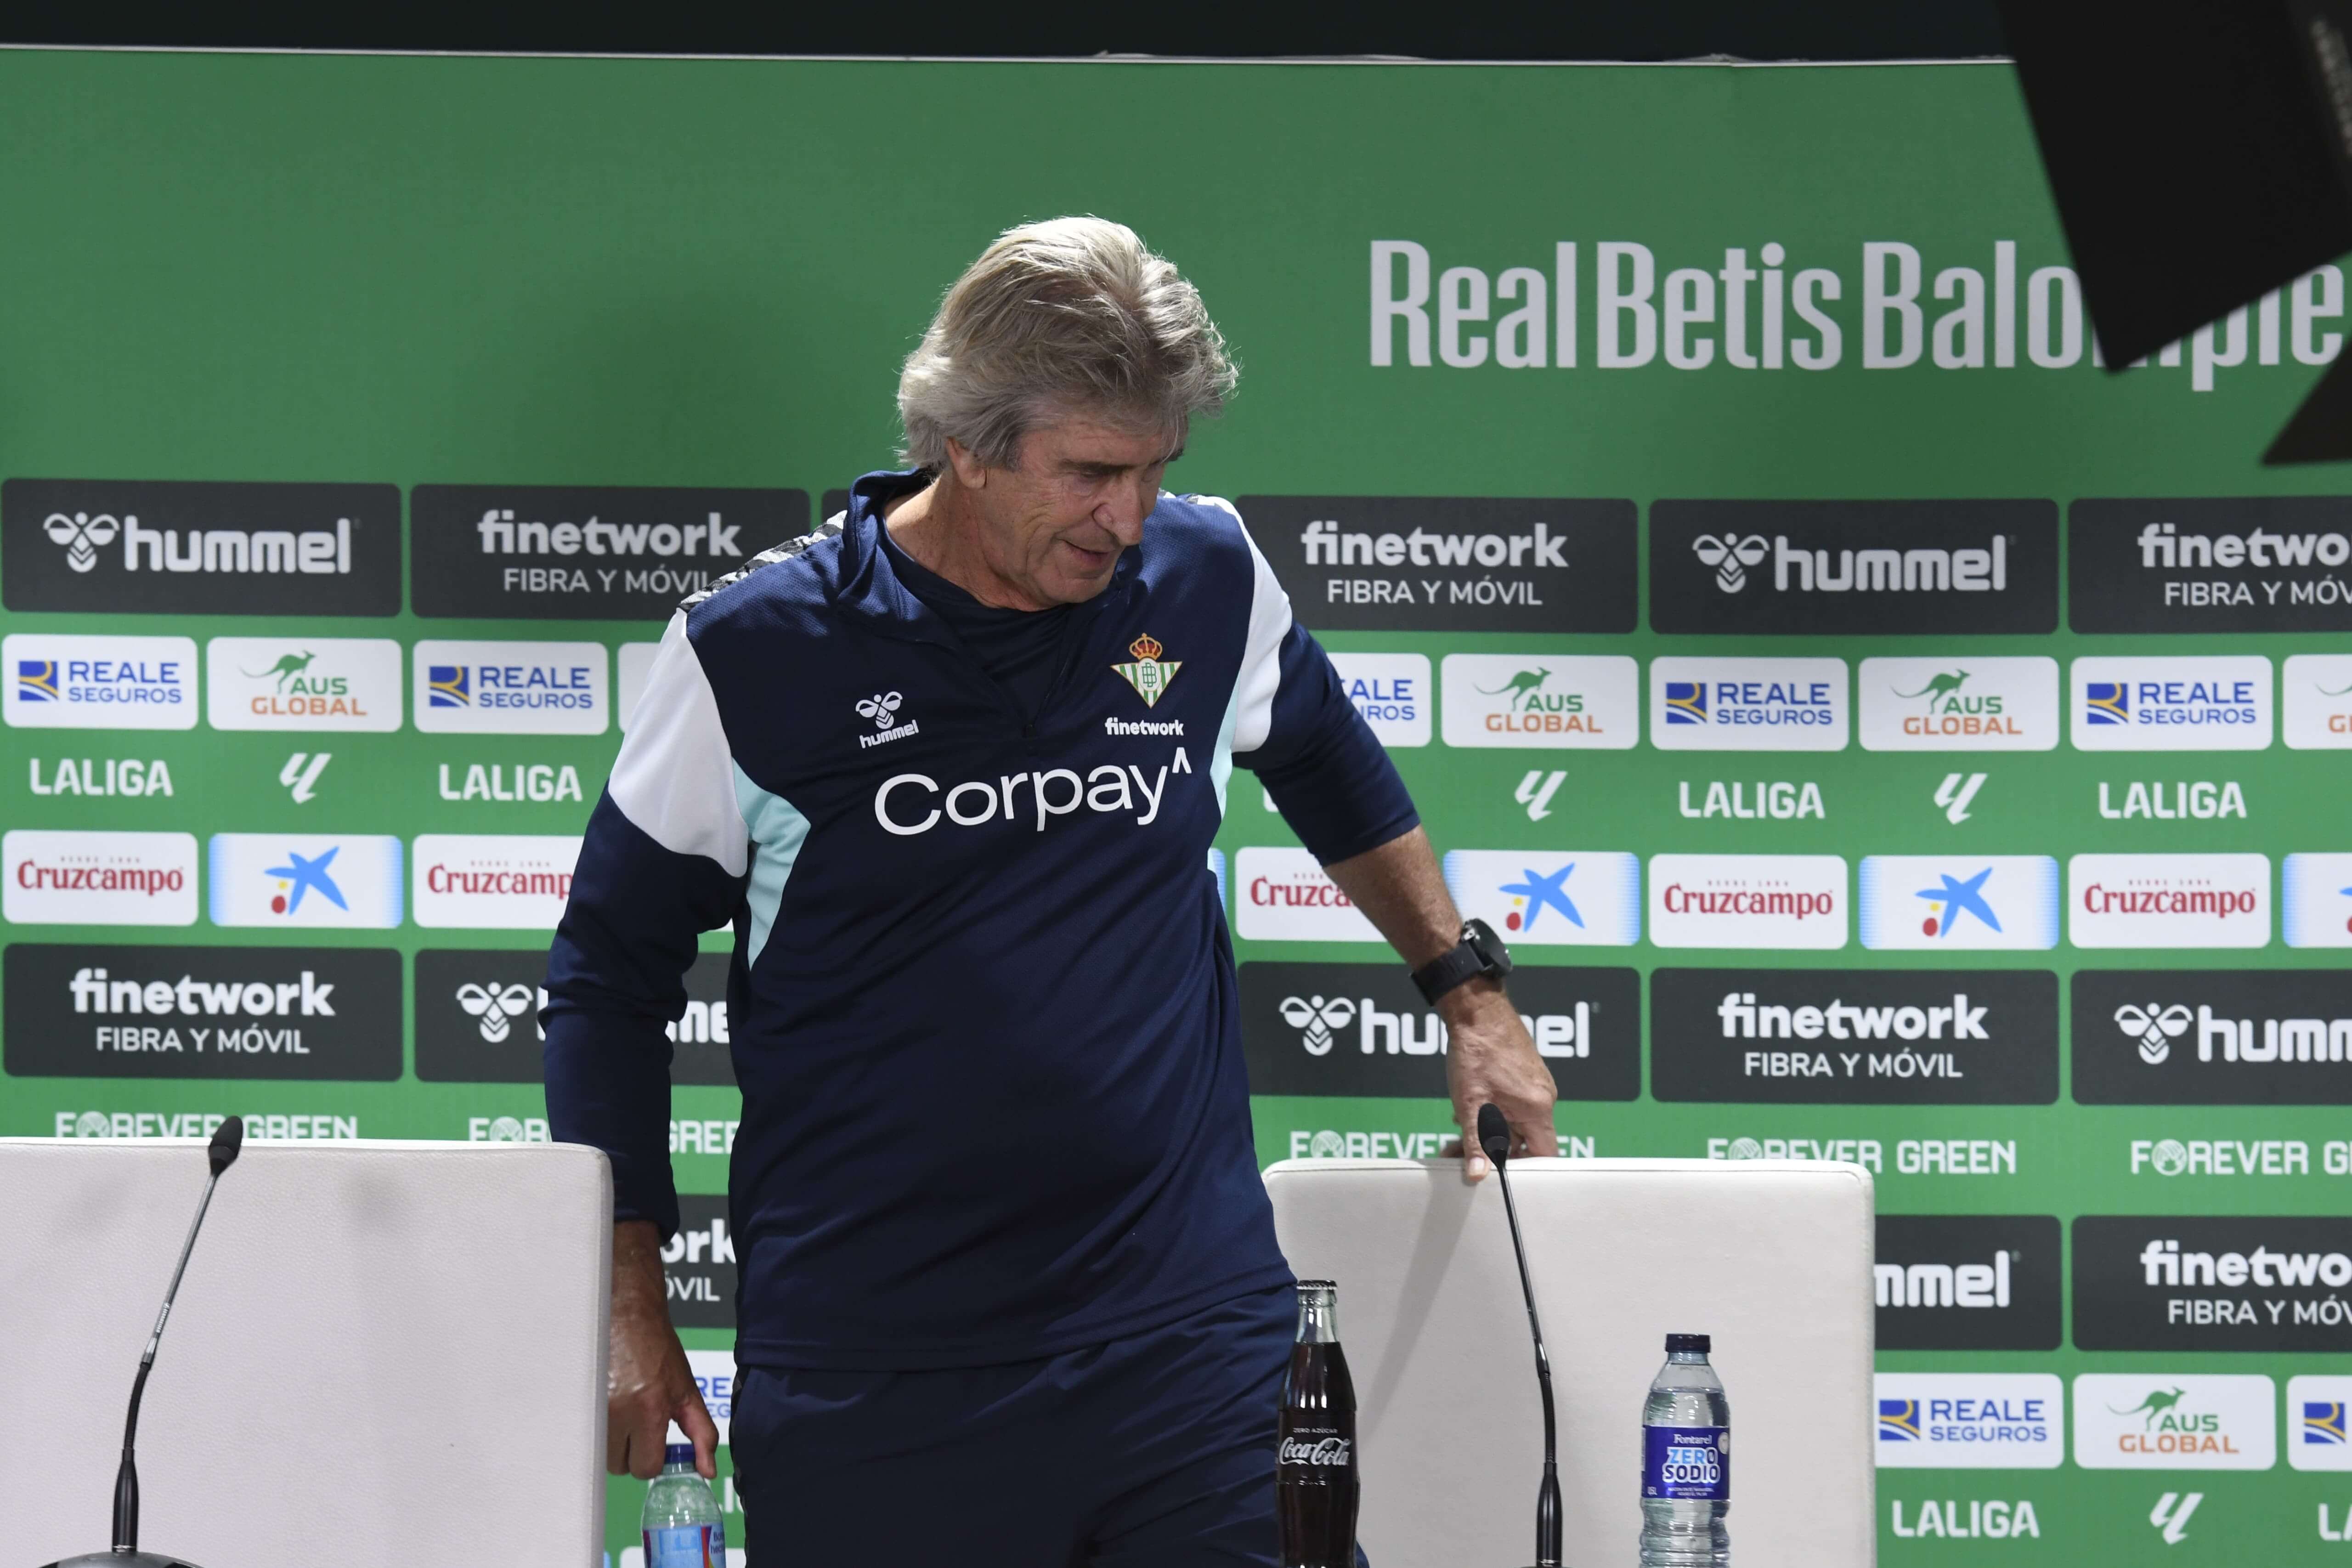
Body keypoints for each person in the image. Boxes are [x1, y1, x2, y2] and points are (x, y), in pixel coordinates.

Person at [543, 215, 1559, 1564]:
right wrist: (629, 1308)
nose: (1127, 518)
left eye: (1153, 471)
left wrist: (1469, 996)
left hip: (1191, 1348)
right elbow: (608, 977)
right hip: (878, 1382)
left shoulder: (1203, 581)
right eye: (1089, 473)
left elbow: (1322, 754)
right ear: (964, 445)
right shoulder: (756, 654)